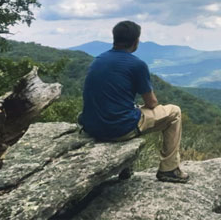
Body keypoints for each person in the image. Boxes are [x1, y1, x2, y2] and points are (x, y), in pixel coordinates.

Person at [79, 20, 189, 183]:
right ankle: (169, 168)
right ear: (136, 41)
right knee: (174, 112)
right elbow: (151, 103)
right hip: (119, 129)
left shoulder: (98, 60)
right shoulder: (137, 64)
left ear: (114, 38)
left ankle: (126, 167)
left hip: (91, 126)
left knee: (127, 109)